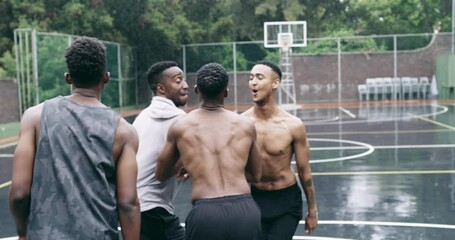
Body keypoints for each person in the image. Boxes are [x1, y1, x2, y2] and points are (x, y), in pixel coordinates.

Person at [8, 36, 140, 240]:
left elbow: (19, 193)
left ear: (68, 77)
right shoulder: (124, 131)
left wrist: (23, 232)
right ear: (106, 77)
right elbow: (128, 203)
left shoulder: (34, 117)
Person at [155, 62, 262, 240]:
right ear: (226, 92)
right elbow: (256, 175)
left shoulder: (181, 126)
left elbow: (161, 173)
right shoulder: (246, 125)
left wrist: (190, 164)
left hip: (206, 212)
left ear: (197, 90)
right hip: (245, 210)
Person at [241, 60, 318, 239]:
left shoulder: (293, 125)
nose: (253, 82)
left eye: (260, 77)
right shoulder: (241, 123)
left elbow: (304, 171)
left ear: (275, 83)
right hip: (254, 198)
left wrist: (312, 211)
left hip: (286, 200)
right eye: (251, 77)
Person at [132, 61, 188, 240]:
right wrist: (186, 163)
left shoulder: (143, 116)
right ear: (161, 89)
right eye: (178, 81)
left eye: (184, 80)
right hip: (153, 207)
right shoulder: (179, 119)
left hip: (134, 205)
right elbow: (161, 173)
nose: (185, 86)